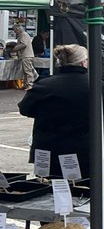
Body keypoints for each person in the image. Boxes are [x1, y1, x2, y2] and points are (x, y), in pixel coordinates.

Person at [18, 44, 95, 179]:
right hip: (82, 148)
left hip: (48, 149)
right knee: (82, 190)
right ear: (83, 62)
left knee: (47, 191)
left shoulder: (44, 85)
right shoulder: (95, 86)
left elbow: (25, 109)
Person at [12, 18, 37, 89]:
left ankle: (30, 85)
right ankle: (26, 84)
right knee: (25, 71)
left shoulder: (23, 35)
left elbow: (23, 45)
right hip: (25, 56)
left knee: (27, 71)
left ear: (18, 29)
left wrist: (14, 49)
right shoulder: (22, 35)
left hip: (26, 56)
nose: (15, 32)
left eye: (15, 31)